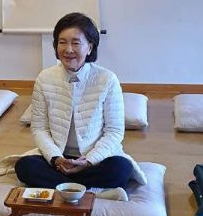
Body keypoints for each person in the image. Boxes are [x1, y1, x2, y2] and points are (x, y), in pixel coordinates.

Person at [15, 12, 145, 198]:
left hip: (93, 161)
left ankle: (65, 189)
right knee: (25, 167)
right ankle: (93, 192)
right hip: (59, 160)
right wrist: (56, 158)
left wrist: (89, 161)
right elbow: (39, 128)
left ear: (90, 47)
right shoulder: (45, 78)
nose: (68, 49)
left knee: (121, 168)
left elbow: (114, 131)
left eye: (76, 43)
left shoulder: (107, 79)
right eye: (62, 42)